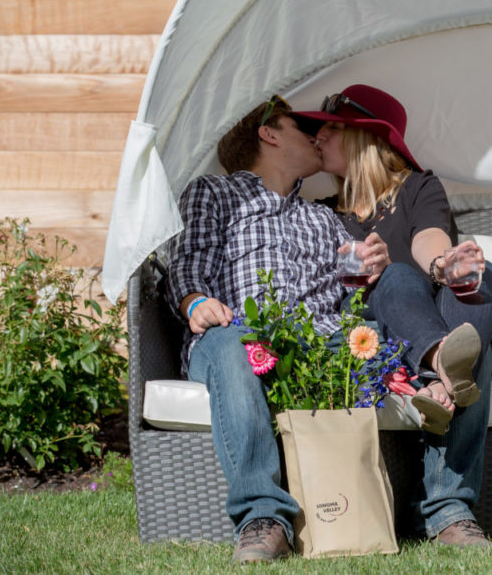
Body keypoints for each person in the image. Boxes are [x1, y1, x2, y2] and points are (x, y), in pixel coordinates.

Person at [166, 95, 389, 563]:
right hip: (235, 334)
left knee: (378, 346)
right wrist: (197, 302)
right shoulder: (215, 192)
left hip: (314, 339)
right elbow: (187, 266)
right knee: (230, 342)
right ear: (268, 133)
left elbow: (347, 297)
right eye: (300, 126)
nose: (315, 135)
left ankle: (383, 503)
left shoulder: (323, 216)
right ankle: (263, 518)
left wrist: (367, 275)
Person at [294, 84, 492, 547]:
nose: (319, 138)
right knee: (404, 287)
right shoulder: (323, 215)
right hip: (372, 335)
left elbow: (429, 238)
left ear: (363, 138)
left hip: (432, 317)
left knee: (481, 277)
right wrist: (379, 272)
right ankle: (448, 510)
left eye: (331, 128)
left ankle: (442, 368)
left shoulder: (418, 186)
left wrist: (444, 264)